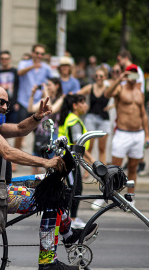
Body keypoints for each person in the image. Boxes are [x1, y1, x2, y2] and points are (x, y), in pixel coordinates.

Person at [0, 84, 96, 270]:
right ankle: (48, 262)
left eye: (7, 104)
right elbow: (8, 152)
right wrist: (46, 162)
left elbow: (19, 129)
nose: (5, 108)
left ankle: (68, 235)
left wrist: (37, 117)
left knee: (52, 183)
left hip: (0, 189)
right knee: (51, 199)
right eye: (1, 102)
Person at [104, 64, 149, 206]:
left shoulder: (139, 92)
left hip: (138, 134)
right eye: (130, 73)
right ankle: (109, 195)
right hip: (122, 133)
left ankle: (130, 198)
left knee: (133, 168)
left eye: (135, 74)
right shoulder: (120, 88)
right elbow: (107, 94)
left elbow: (143, 114)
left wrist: (147, 135)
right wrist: (119, 78)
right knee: (114, 168)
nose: (133, 77)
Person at [13, 44, 52, 171]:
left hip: (38, 103)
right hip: (24, 101)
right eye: (37, 53)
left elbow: (52, 80)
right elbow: (19, 72)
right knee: (20, 131)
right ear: (32, 53)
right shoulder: (25, 63)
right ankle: (14, 159)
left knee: (39, 133)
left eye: (41, 54)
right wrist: (33, 66)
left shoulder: (46, 68)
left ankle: (37, 159)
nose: (39, 56)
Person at [58, 94, 94, 228]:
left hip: (69, 159)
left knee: (75, 188)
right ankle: (69, 219)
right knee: (75, 189)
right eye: (83, 103)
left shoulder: (70, 119)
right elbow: (77, 144)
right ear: (75, 106)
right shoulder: (74, 122)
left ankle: (70, 217)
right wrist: (91, 159)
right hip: (70, 160)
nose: (85, 106)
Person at [28, 78, 64, 174]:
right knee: (35, 160)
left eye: (49, 85)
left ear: (57, 86)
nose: (47, 87)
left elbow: (52, 109)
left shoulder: (61, 99)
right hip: (40, 133)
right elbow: (30, 109)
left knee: (51, 162)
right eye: (46, 85)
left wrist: (46, 93)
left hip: (52, 135)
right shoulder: (44, 99)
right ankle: (35, 185)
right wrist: (32, 94)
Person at [77, 67, 111, 165]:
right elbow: (77, 95)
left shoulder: (108, 89)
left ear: (105, 77)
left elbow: (119, 97)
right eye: (97, 76)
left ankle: (102, 172)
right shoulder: (90, 87)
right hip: (91, 118)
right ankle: (87, 171)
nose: (99, 78)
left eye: (101, 76)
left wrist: (112, 106)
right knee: (89, 147)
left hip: (104, 119)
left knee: (102, 148)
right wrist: (83, 105)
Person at [0, 50, 20, 123]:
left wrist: (17, 102)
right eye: (2, 59)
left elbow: (19, 87)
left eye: (6, 58)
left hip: (13, 105)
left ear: (10, 59)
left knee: (12, 129)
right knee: (0, 128)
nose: (4, 60)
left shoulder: (15, 72)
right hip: (0, 107)